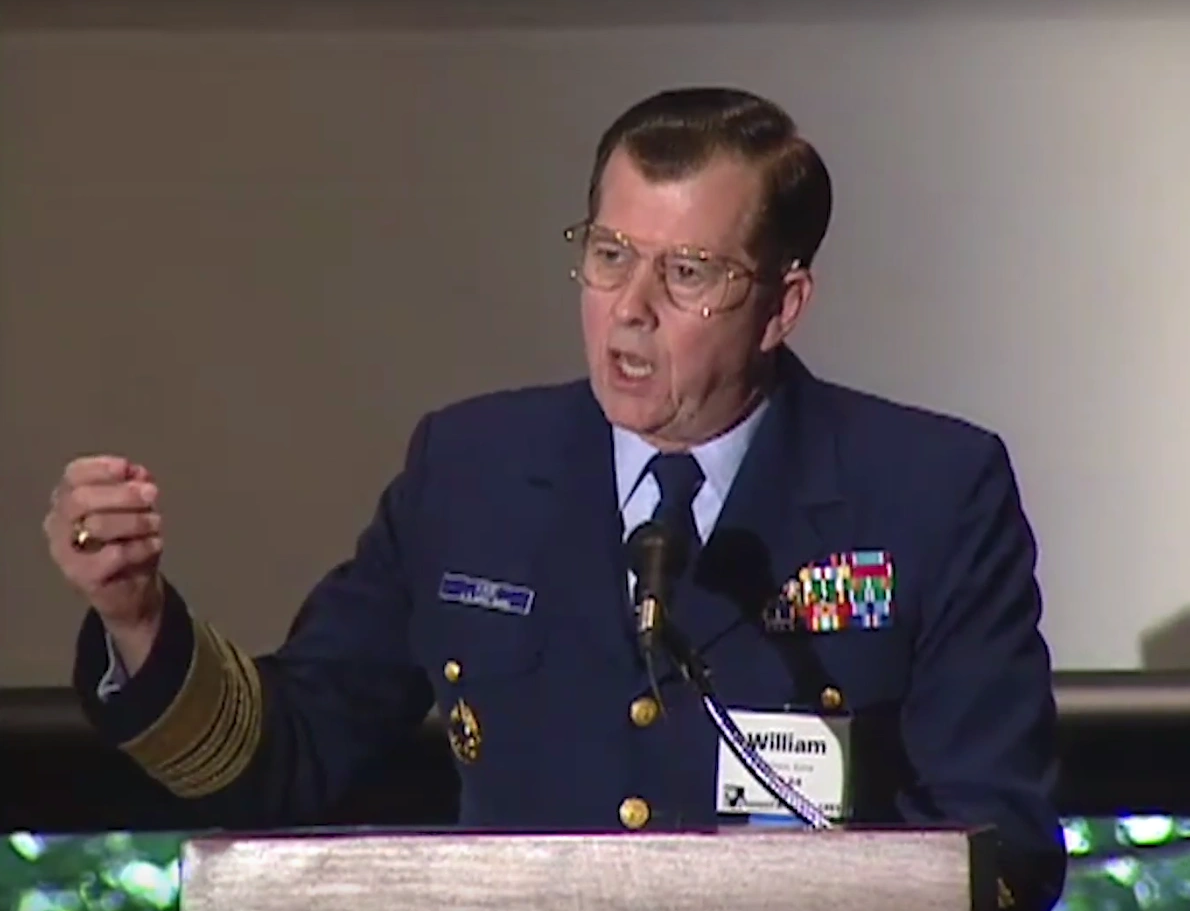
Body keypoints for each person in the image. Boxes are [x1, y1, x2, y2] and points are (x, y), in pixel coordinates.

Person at [44, 87, 1065, 909]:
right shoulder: (472, 468)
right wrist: (136, 618)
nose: (629, 307)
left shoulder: (928, 490)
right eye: (609, 255)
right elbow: (291, 753)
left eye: (689, 272)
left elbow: (1002, 846)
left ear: (778, 306)